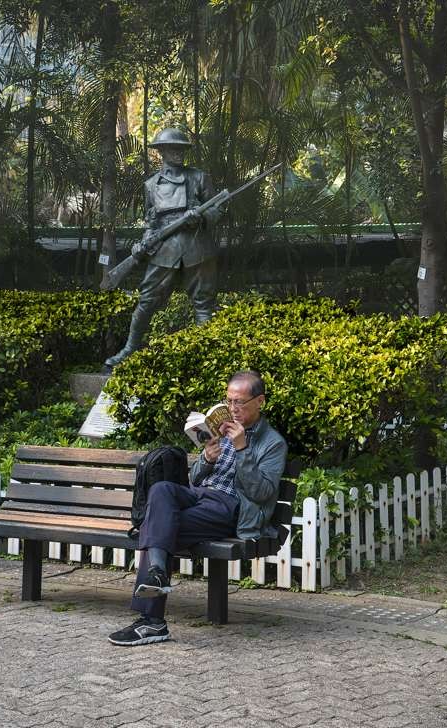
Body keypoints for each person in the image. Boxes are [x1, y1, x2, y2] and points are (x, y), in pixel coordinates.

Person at [108, 370, 288, 646]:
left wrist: (242, 448)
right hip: (198, 496)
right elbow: (193, 479)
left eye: (239, 402)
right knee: (161, 489)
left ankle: (152, 622)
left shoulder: (272, 443)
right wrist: (206, 458)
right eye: (229, 402)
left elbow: (261, 493)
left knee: (155, 527)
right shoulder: (223, 429)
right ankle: (157, 573)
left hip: (229, 508)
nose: (233, 409)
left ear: (260, 401)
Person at [104, 128, 222, 371]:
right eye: (172, 149)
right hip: (164, 249)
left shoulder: (199, 177)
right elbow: (152, 222)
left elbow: (218, 209)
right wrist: (144, 243)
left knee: (203, 303)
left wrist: (199, 218)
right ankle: (130, 348)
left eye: (181, 149)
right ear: (161, 152)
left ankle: (208, 355)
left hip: (196, 247)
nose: (177, 153)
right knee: (146, 300)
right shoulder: (150, 185)